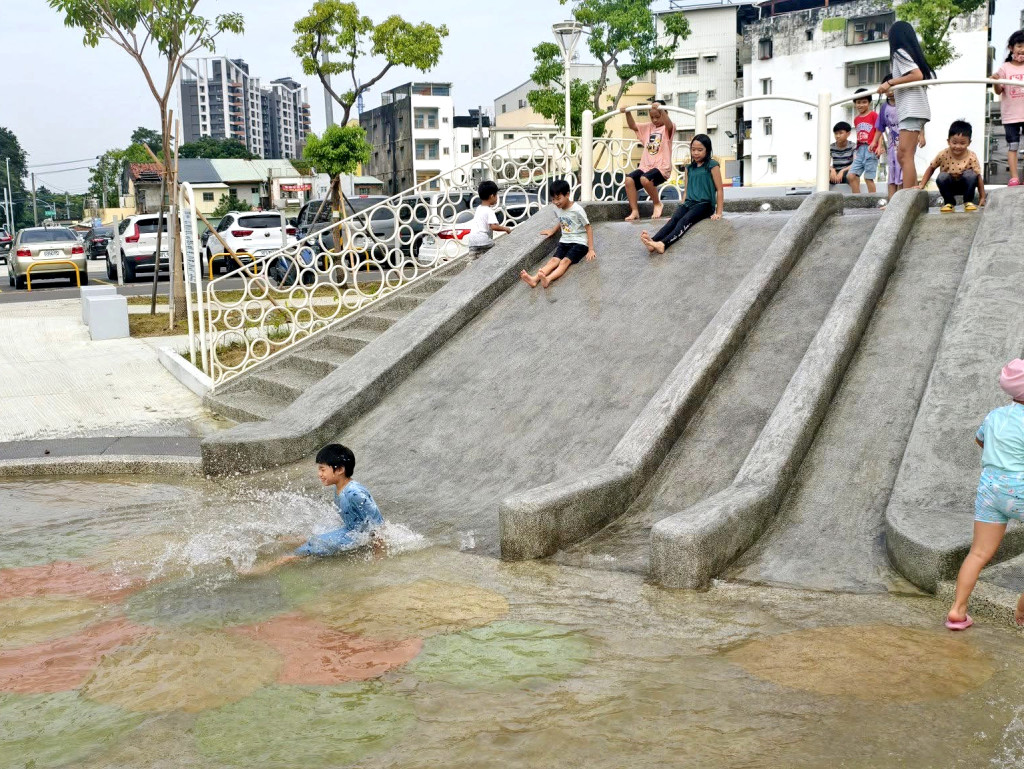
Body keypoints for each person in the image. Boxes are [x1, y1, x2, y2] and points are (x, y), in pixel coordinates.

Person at [946, 360, 1024, 630]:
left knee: (978, 553)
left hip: (991, 490)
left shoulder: (995, 416)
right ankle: (1023, 607)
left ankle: (957, 610)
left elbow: (980, 440)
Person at [242, 444, 384, 575]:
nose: (319, 474)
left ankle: (268, 566)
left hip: (355, 535)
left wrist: (377, 559)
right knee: (309, 536)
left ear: (340, 469)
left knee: (306, 549)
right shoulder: (341, 487)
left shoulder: (354, 493)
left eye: (323, 469)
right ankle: (273, 543)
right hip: (350, 530)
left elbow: (378, 525)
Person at [640, 134, 723, 255]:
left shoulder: (712, 165)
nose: (696, 153)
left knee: (684, 220)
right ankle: (653, 241)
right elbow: (687, 191)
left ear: (707, 150)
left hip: (704, 205)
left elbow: (719, 189)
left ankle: (663, 244)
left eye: (700, 150)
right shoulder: (689, 168)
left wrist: (719, 213)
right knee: (674, 220)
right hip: (689, 203)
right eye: (693, 149)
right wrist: (680, 209)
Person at [877, 21, 935, 189]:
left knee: (904, 154)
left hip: (911, 109)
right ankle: (908, 195)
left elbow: (916, 75)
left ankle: (908, 197)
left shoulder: (899, 53)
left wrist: (890, 82)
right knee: (905, 154)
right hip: (914, 109)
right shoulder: (909, 54)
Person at [520, 179, 595, 288]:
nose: (556, 202)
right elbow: (562, 221)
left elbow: (588, 228)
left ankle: (548, 279)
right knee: (553, 260)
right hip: (565, 241)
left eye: (558, 198)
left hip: (579, 243)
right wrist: (552, 230)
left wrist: (591, 249)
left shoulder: (577, 210)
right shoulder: (557, 209)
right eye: (553, 199)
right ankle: (534, 279)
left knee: (564, 262)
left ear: (567, 195)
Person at [620, 100, 675, 221]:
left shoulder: (668, 128)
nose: (654, 120)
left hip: (661, 168)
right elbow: (633, 126)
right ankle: (634, 211)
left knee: (645, 179)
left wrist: (661, 109)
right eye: (652, 117)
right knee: (629, 180)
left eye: (657, 116)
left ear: (664, 113)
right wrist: (627, 112)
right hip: (645, 167)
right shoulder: (649, 128)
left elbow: (670, 125)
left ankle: (657, 203)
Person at [917, 120, 986, 212]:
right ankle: (949, 202)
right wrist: (922, 184)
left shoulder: (971, 156)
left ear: (969, 142)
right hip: (949, 186)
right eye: (954, 142)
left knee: (971, 175)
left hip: (965, 186)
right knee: (942, 176)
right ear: (948, 141)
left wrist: (982, 197)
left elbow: (978, 176)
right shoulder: (943, 154)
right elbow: (931, 167)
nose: (957, 146)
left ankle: (968, 202)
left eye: (962, 143)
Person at [993, 30, 1024, 187]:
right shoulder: (1005, 68)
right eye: (1019, 46)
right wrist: (996, 81)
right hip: (1011, 115)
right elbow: (998, 91)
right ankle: (1014, 177)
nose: (1022, 49)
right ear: (1012, 48)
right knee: (1013, 145)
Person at [466, 180, 511, 255]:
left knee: (474, 259)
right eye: (496, 195)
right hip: (483, 239)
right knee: (494, 253)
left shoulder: (479, 209)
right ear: (492, 196)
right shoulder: (489, 210)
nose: (497, 197)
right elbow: (493, 226)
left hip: (472, 241)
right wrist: (506, 229)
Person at [848, 88, 879, 194]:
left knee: (868, 178)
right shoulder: (856, 119)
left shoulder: (874, 115)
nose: (861, 105)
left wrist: (880, 147)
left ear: (869, 102)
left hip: (871, 149)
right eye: (858, 102)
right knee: (851, 176)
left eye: (864, 102)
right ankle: (857, 199)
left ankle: (873, 201)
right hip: (860, 149)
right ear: (855, 103)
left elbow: (879, 131)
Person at [829, 122, 855, 186]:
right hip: (835, 172)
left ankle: (853, 195)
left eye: (841, 133)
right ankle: (825, 193)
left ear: (848, 134)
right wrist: (832, 170)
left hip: (847, 171)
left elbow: (855, 163)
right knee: (824, 175)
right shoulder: (831, 147)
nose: (838, 136)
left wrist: (842, 171)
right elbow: (825, 164)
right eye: (836, 133)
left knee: (852, 175)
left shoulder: (853, 146)